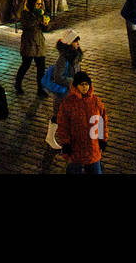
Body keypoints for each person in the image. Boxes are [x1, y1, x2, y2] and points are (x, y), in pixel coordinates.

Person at [41, 31, 83, 172]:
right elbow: (58, 77)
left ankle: (64, 140)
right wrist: (73, 82)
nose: (78, 44)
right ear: (69, 43)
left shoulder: (74, 56)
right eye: (76, 41)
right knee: (59, 116)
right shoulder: (63, 59)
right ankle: (51, 137)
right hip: (64, 94)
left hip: (72, 93)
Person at [56, 71, 107, 173]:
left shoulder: (96, 102)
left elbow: (102, 122)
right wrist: (66, 143)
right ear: (76, 86)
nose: (85, 87)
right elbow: (63, 125)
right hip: (75, 146)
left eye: (87, 84)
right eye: (82, 84)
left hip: (92, 146)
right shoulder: (68, 103)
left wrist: (103, 139)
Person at [14, 0, 51, 98]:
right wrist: (40, 18)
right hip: (29, 44)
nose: (39, 6)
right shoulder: (25, 14)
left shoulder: (40, 15)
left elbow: (45, 29)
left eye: (40, 4)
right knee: (25, 66)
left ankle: (41, 89)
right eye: (37, 4)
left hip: (39, 44)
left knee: (41, 68)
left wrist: (46, 25)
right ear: (32, 4)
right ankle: (18, 84)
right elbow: (29, 24)